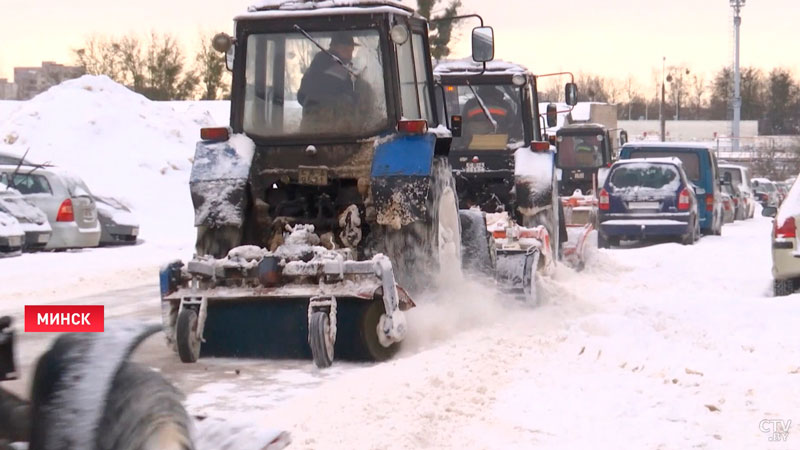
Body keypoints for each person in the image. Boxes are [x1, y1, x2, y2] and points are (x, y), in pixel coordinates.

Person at [297, 33, 362, 132]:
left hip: (313, 128)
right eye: (345, 50)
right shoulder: (330, 66)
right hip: (327, 128)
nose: (350, 56)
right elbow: (349, 95)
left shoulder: (318, 65)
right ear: (333, 48)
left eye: (351, 51)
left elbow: (301, 96)